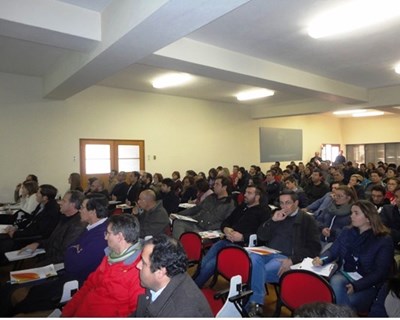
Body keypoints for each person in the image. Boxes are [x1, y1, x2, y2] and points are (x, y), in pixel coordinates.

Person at [2, 194, 109, 316]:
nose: (80, 209)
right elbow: (68, 249)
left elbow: (71, 263)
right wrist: (74, 250)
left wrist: (72, 250)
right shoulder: (88, 226)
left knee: (19, 294)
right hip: (59, 269)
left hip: (67, 276)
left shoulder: (99, 233)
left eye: (83, 207)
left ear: (93, 212)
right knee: (10, 284)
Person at [247, 190, 321, 316]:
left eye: (288, 203)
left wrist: (293, 259)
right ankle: (254, 304)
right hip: (268, 252)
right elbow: (261, 236)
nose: (284, 207)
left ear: (296, 203)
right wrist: (272, 221)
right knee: (252, 259)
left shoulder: (307, 220)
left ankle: (253, 304)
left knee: (254, 271)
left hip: (285, 258)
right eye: (281, 203)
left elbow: (314, 248)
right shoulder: (277, 214)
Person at [312, 200, 394, 314]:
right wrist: (321, 260)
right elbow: (332, 251)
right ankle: (345, 314)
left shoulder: (383, 240)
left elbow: (380, 273)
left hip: (369, 284)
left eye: (356, 213)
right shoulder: (347, 231)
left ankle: (341, 314)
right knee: (336, 282)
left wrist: (356, 286)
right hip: (345, 275)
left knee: (341, 299)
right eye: (352, 212)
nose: (351, 216)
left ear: (368, 217)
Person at [61, 214, 145, 317]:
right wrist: (67, 312)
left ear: (119, 237)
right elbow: (88, 286)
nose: (105, 237)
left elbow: (135, 313)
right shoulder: (110, 257)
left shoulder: (139, 271)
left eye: (108, 233)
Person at [194, 185, 271, 287]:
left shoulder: (264, 211)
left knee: (213, 263)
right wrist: (226, 228)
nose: (245, 195)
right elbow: (226, 222)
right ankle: (191, 283)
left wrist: (243, 237)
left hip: (243, 245)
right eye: (245, 192)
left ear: (257, 197)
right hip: (227, 240)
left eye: (249, 193)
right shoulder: (241, 207)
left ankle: (194, 287)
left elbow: (263, 235)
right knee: (204, 261)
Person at [133, 234, 213, 317]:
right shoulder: (160, 282)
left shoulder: (182, 313)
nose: (138, 265)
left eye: (143, 263)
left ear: (160, 272)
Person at [19, 190, 86, 267]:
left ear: (73, 205)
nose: (59, 202)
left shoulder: (77, 226)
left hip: (57, 264)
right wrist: (37, 244)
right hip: (50, 258)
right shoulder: (64, 217)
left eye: (63, 201)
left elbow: (64, 255)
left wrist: (39, 266)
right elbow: (53, 240)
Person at [0, 184, 61, 263]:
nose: (36, 194)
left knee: (2, 242)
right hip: (28, 232)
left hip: (34, 238)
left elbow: (38, 231)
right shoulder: (42, 205)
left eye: (38, 193)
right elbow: (30, 219)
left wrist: (16, 234)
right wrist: (16, 227)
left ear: (45, 197)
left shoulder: (51, 211)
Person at [316, 185, 356, 252]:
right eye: (335, 195)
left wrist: (332, 232)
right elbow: (318, 220)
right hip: (320, 239)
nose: (336, 198)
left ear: (348, 198)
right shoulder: (330, 207)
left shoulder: (353, 212)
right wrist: (322, 228)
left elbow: (350, 232)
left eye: (339, 196)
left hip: (337, 244)